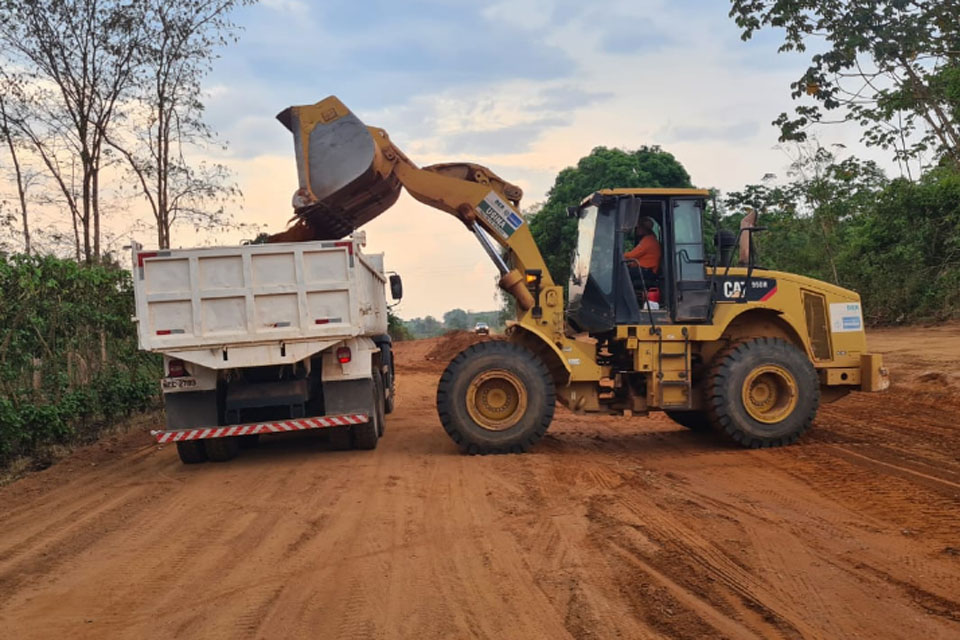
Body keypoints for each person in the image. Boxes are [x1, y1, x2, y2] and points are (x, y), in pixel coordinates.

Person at [624, 217, 661, 287]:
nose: (636, 230)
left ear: (644, 229)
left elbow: (632, 255)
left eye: (638, 228)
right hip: (647, 270)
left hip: (648, 271)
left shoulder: (648, 241)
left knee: (622, 273)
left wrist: (620, 254)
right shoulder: (650, 239)